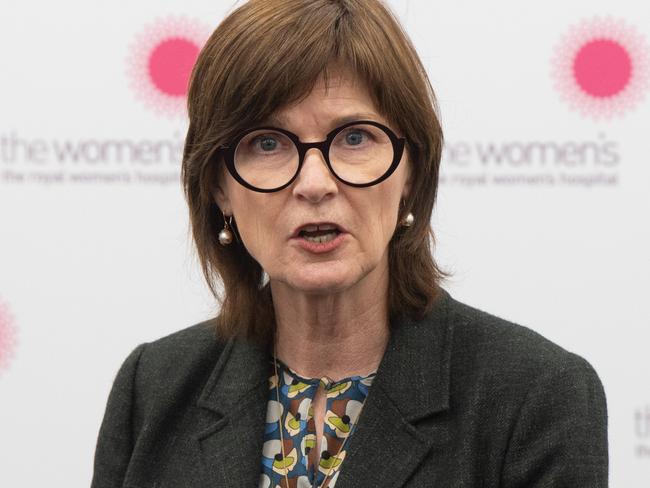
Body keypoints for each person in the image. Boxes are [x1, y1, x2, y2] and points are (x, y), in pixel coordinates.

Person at [91, 1, 608, 487]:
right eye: (267, 143)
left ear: (411, 170)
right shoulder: (153, 387)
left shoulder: (537, 395)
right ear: (218, 188)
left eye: (354, 137)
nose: (314, 184)